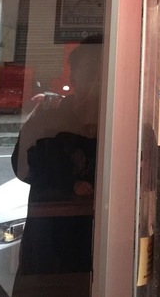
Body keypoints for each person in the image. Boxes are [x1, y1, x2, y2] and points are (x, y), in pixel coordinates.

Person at [11, 36, 102, 297]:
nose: (96, 83)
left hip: (104, 239)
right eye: (90, 74)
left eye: (102, 76)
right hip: (52, 238)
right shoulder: (50, 118)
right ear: (74, 79)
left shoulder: (127, 126)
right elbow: (22, 167)